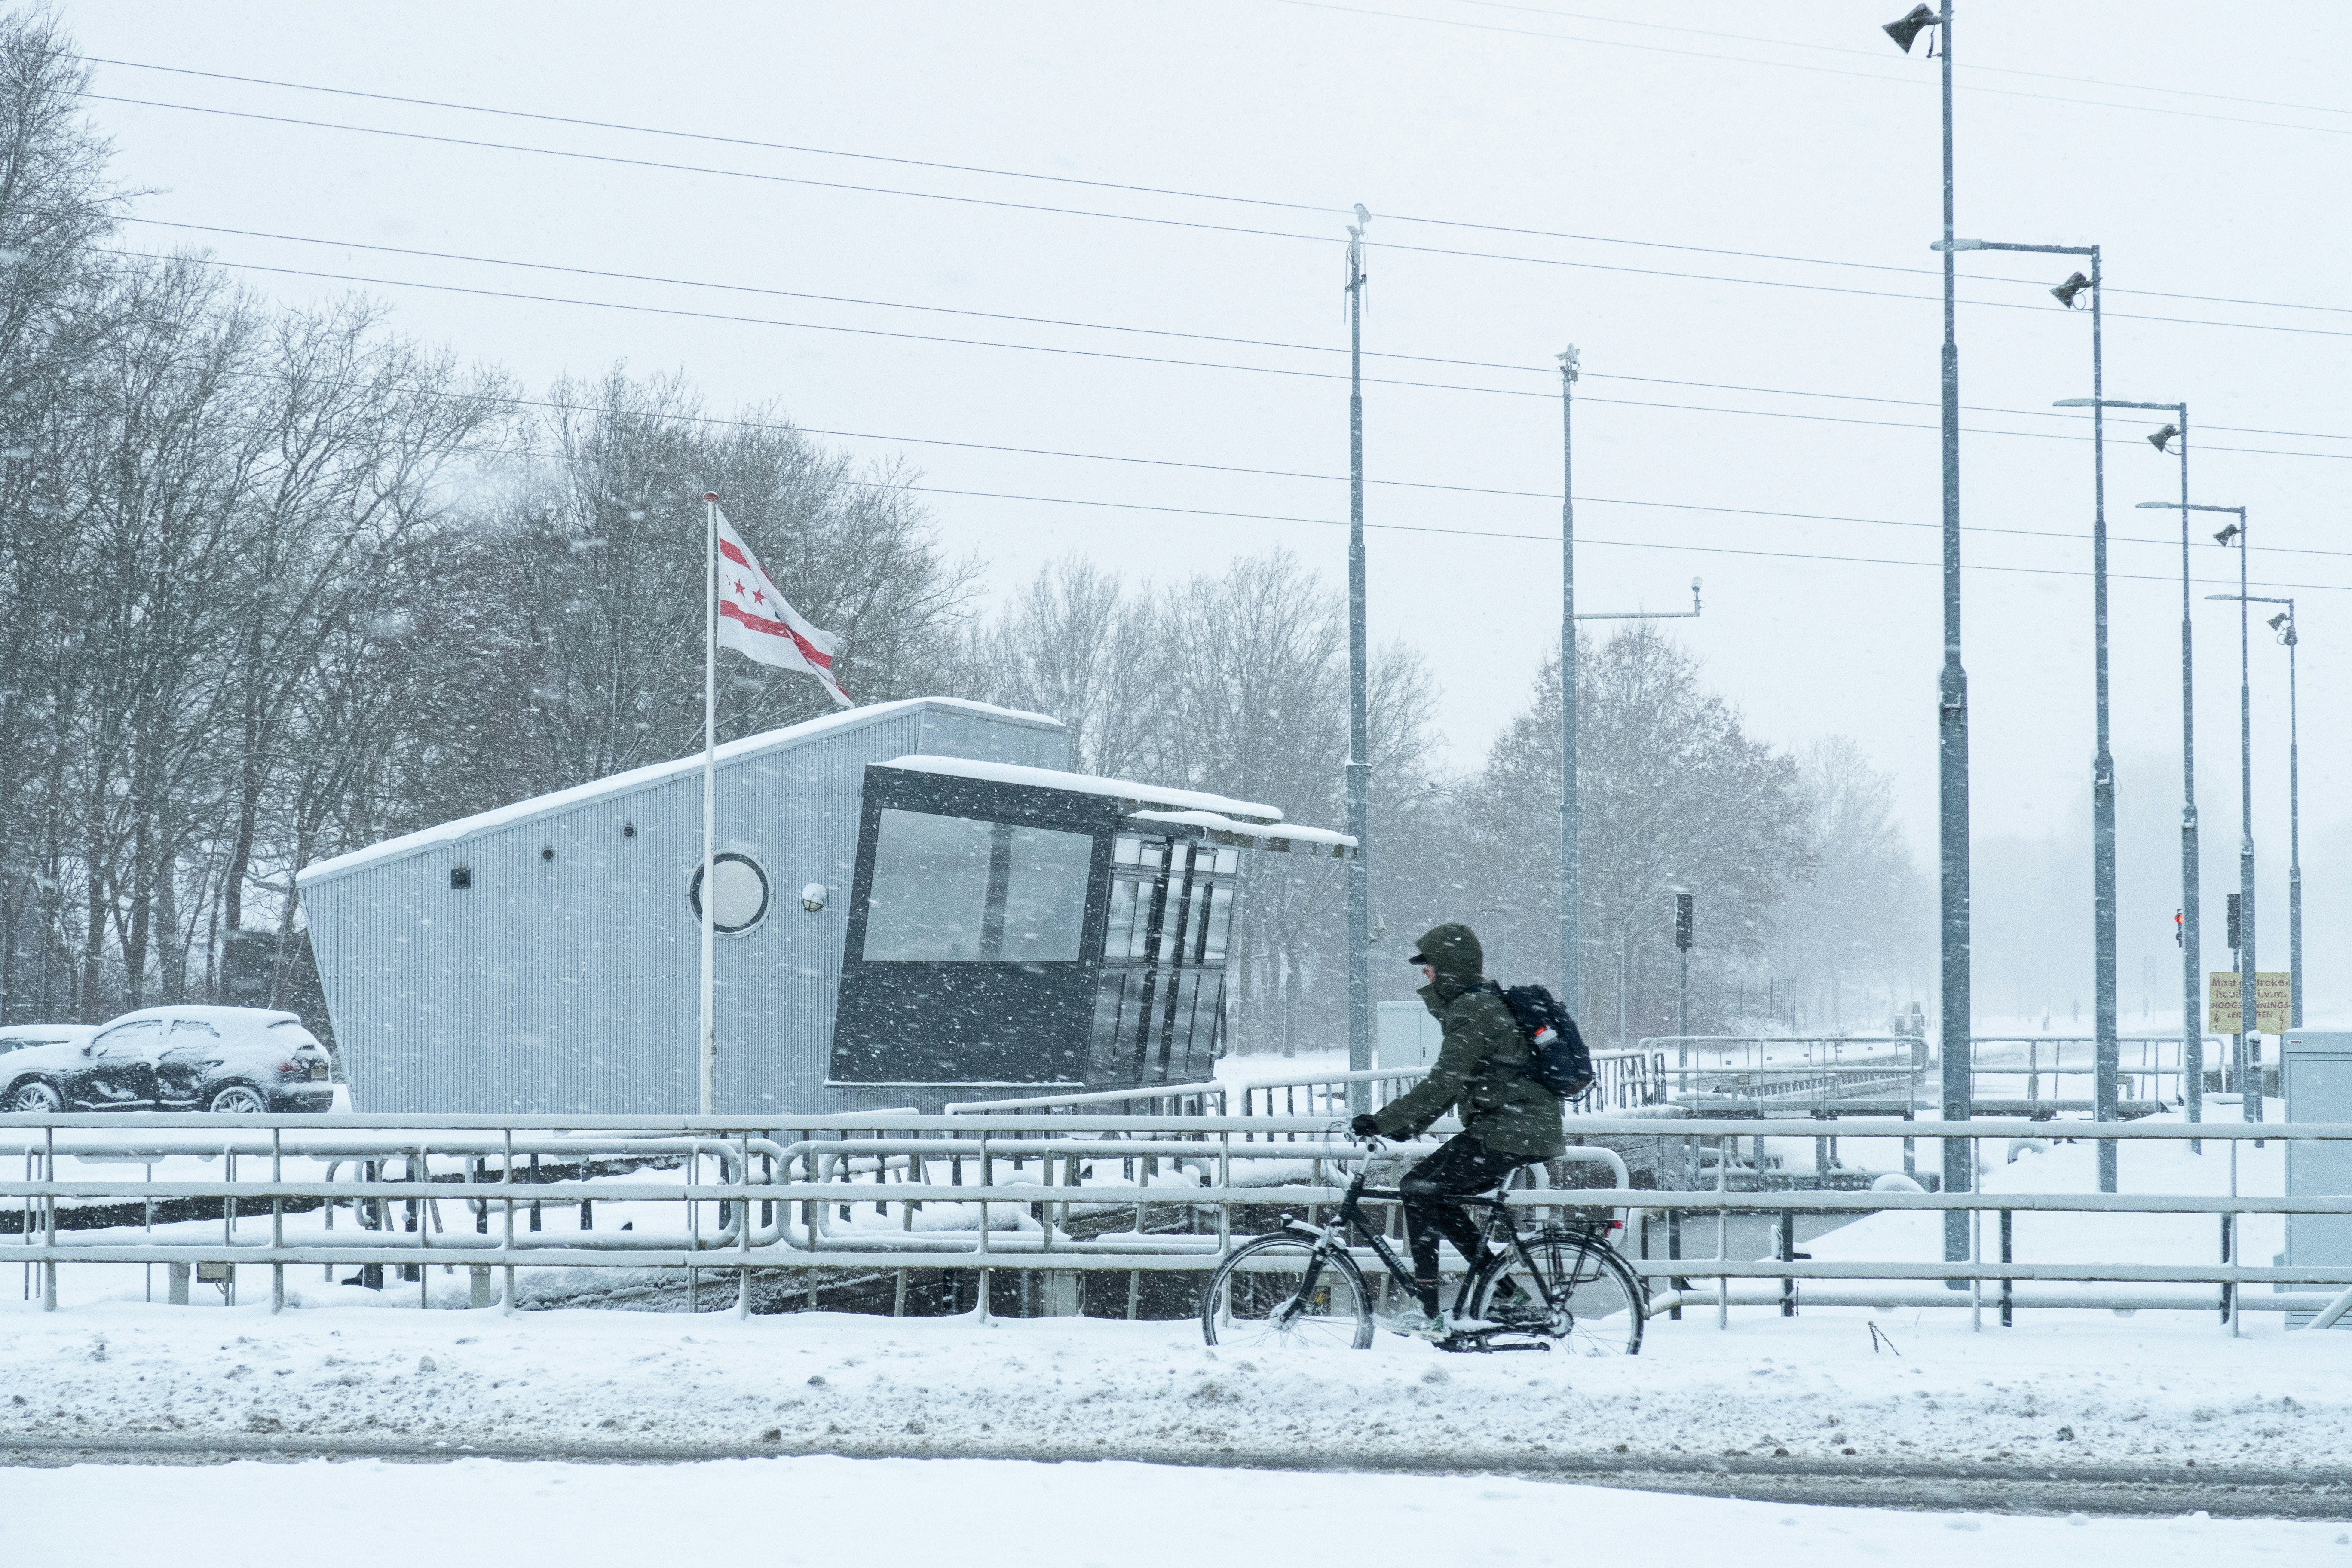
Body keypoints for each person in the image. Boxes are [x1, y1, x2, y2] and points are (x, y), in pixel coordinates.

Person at [1350, 922, 1566, 1338]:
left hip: (1511, 1127)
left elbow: (1445, 1081)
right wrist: (1408, 1125)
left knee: (1417, 1187)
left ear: (1449, 967)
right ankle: (1504, 1290)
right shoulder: (1480, 1003)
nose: (1424, 973)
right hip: (1519, 1126)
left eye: (1428, 965)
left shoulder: (1472, 1010)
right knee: (1437, 1197)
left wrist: (1380, 1121)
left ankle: (1426, 1310)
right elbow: (1461, 1082)